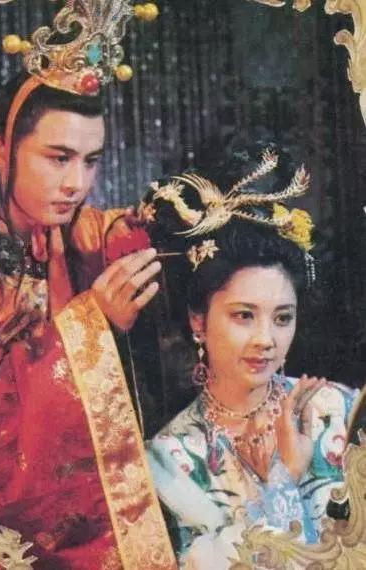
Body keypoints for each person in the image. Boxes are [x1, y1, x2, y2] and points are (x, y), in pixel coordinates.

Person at [0, 3, 176, 568]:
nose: (76, 184)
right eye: (58, 158)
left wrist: (181, 218)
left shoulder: (72, 232)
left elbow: (130, 233)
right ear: (2, 149)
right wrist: (95, 325)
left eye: (91, 161)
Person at [137, 149, 359, 569]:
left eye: (282, 318)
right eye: (243, 316)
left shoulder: (337, 412)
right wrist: (283, 480)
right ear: (198, 320)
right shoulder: (173, 458)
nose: (266, 340)